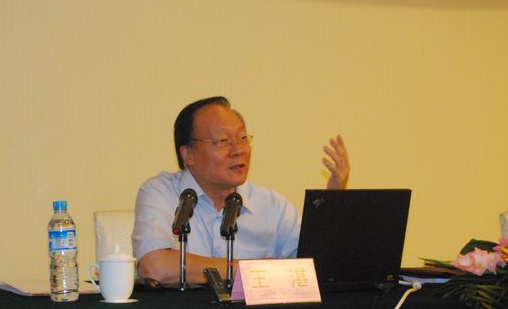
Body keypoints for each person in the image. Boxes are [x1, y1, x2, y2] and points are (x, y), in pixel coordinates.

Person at [132, 96, 350, 284]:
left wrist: (332, 205)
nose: (238, 150)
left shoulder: (271, 206)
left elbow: (315, 267)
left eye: (243, 138)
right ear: (188, 154)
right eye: (223, 141)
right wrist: (255, 271)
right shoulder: (161, 193)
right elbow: (156, 268)